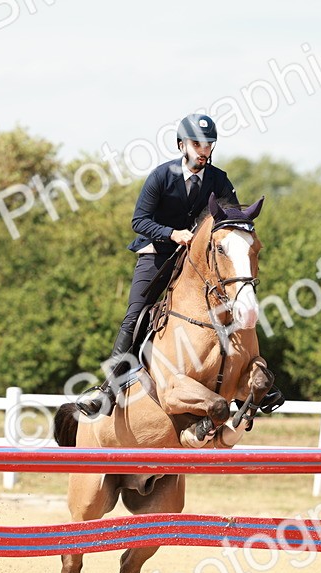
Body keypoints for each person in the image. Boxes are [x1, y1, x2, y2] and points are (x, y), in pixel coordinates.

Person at [76, 113, 239, 418]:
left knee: (237, 303)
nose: (204, 150)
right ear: (182, 145)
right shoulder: (162, 176)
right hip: (158, 253)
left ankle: (246, 381)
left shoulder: (219, 179)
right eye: (197, 144)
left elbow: (229, 218)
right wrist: (171, 233)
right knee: (136, 315)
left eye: (208, 144)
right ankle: (108, 390)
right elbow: (138, 220)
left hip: (198, 260)